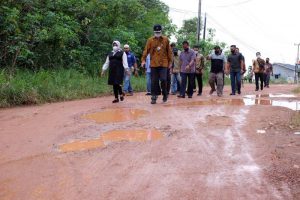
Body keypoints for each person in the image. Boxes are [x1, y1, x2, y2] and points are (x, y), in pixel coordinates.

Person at [141, 24, 172, 104]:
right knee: (154, 81)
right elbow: (146, 50)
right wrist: (143, 60)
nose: (157, 33)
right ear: (154, 32)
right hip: (154, 64)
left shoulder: (165, 40)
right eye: (156, 32)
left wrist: (170, 62)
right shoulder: (150, 40)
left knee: (163, 79)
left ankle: (165, 94)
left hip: (164, 64)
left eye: (159, 32)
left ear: (161, 31)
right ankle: (154, 96)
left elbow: (169, 52)